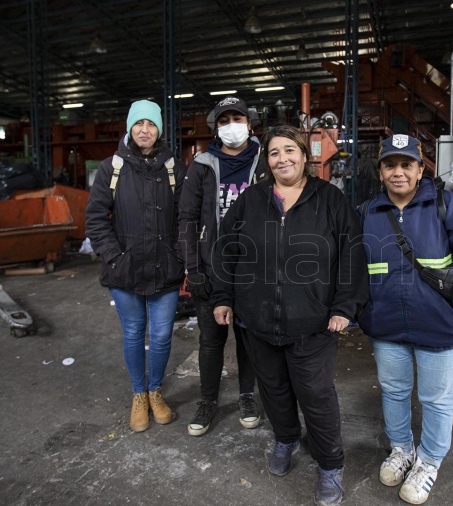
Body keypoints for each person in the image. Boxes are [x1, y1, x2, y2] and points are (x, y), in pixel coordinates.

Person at [211, 125, 369, 506]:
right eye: (274, 153)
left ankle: (330, 465)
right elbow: (225, 250)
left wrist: (344, 307)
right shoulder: (251, 200)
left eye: (289, 150)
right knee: (274, 390)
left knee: (315, 394)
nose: (282, 159)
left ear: (304, 154)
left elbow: (352, 255)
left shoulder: (330, 200)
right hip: (258, 320)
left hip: (313, 323)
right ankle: (285, 440)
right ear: (267, 161)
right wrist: (223, 297)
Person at [358, 135, 453, 505]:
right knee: (394, 391)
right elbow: (350, 270)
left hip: (440, 328)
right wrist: (364, 311)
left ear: (421, 169)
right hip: (387, 328)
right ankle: (402, 450)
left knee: (436, 399)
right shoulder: (366, 214)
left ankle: (428, 461)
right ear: (380, 172)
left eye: (407, 164)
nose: (398, 172)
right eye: (390, 165)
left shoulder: (446, 206)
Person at [85, 100, 186, 433]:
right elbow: (95, 218)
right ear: (129, 127)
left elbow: (185, 216)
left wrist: (182, 256)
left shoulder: (173, 167)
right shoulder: (111, 168)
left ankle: (155, 391)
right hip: (124, 268)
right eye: (139, 123)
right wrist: (115, 257)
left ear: (160, 130)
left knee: (159, 336)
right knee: (132, 334)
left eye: (152, 124)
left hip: (165, 268)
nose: (145, 129)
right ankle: (138, 394)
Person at [178, 96, 265, 436]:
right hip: (212, 267)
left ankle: (246, 396)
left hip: (253, 269)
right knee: (211, 339)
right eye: (225, 119)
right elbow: (186, 218)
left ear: (249, 123)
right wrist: (192, 268)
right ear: (216, 126)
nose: (232, 125)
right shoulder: (201, 165)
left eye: (237, 118)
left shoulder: (264, 160)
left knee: (248, 339)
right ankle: (208, 400)